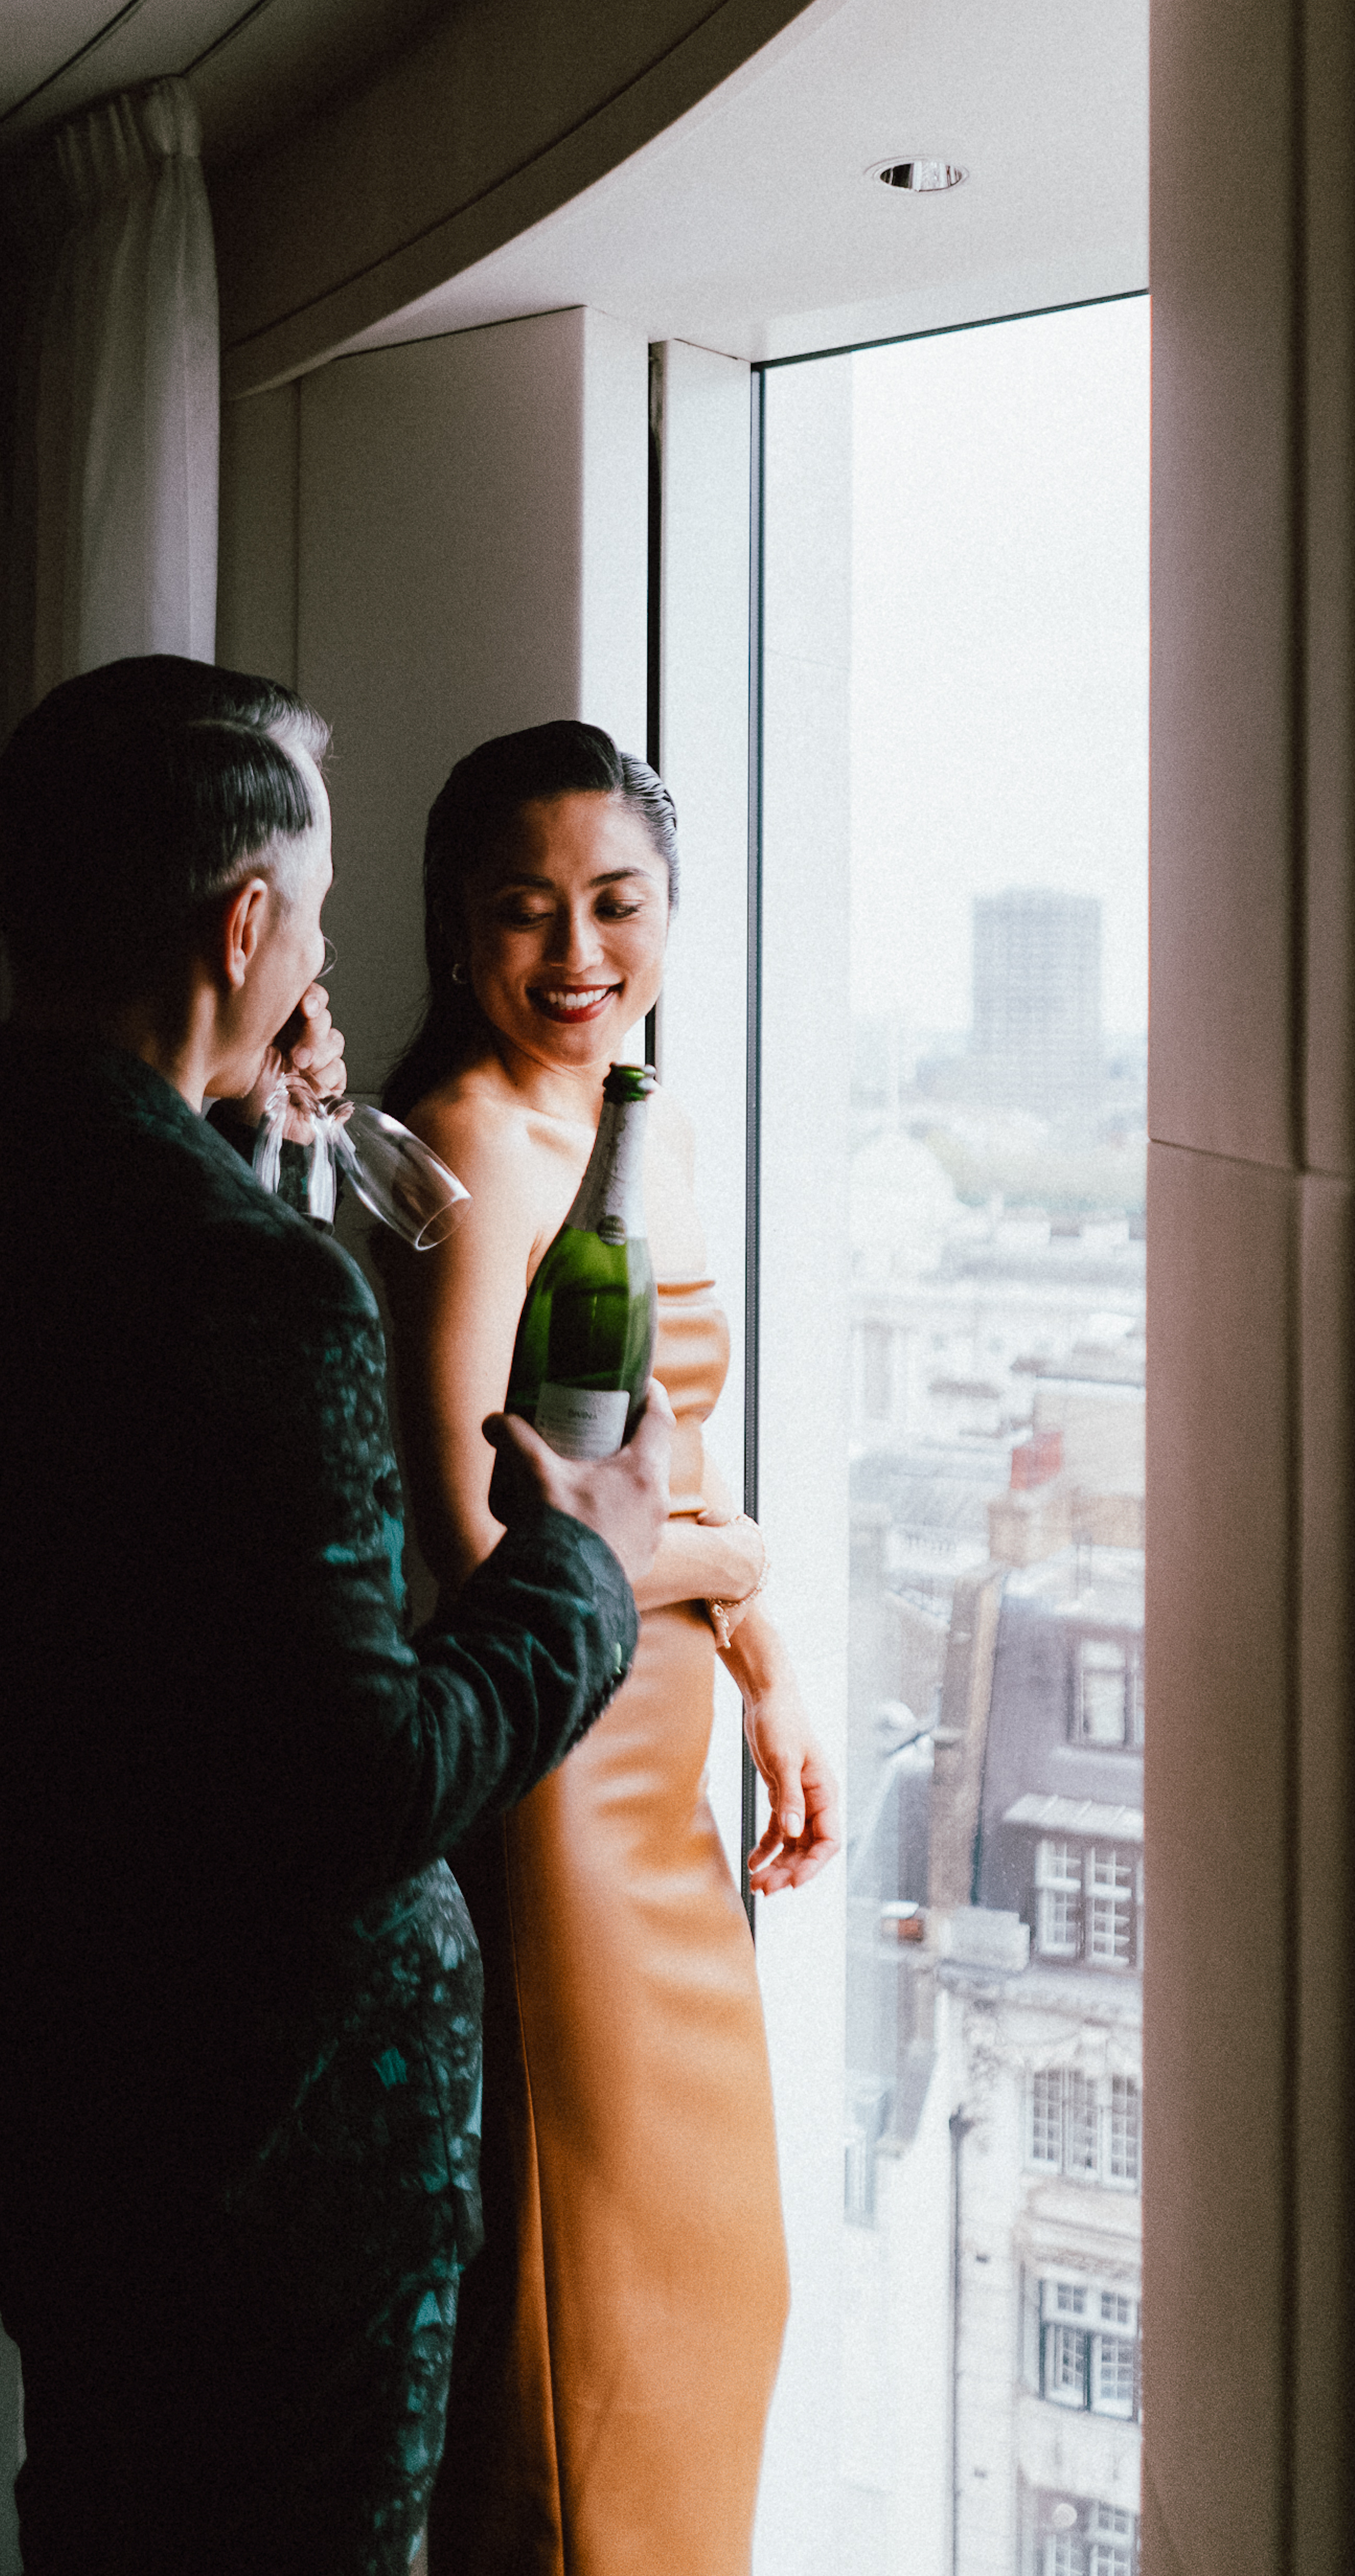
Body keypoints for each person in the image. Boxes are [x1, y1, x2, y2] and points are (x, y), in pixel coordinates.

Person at [0, 659, 673, 2576]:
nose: (318, 958)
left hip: (39, 2055)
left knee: (109, 2512)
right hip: (270, 2132)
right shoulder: (252, 1287)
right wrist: (586, 1560)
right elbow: (360, 1780)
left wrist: (250, 1122)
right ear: (247, 920)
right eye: (302, 914)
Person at [375, 720, 839, 2576]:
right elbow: (481, 1530)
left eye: (616, 903)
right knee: (599, 2327)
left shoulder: (628, 1118)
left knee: (714, 2289)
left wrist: (762, 1654)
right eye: (524, 911)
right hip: (556, 1787)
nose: (577, 954)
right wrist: (724, 1556)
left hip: (652, 1761)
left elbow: (656, 1448)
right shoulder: (478, 1132)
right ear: (455, 926)